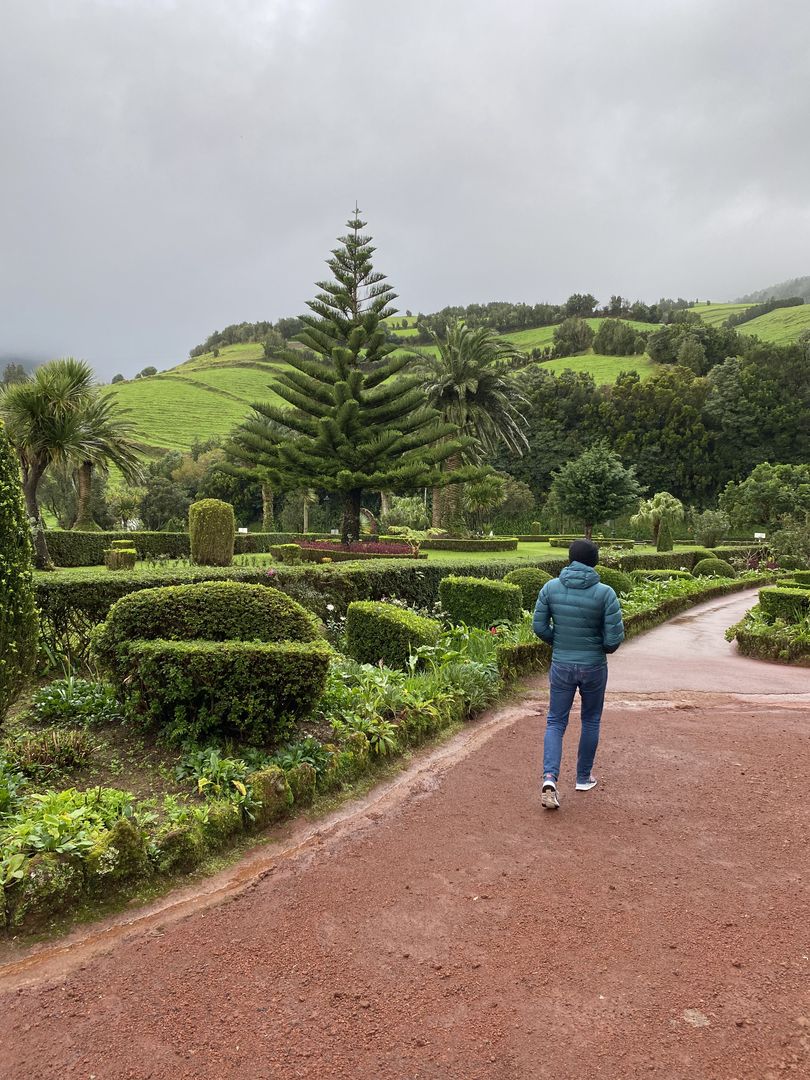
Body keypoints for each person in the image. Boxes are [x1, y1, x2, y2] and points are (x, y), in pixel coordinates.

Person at [532, 538, 624, 810]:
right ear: (595, 562)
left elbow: (539, 626)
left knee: (555, 722)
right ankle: (583, 778)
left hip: (561, 663)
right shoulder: (606, 593)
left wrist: (558, 642)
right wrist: (599, 647)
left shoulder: (550, 588)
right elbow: (613, 639)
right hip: (594, 665)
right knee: (591, 719)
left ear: (570, 559)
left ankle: (549, 778)